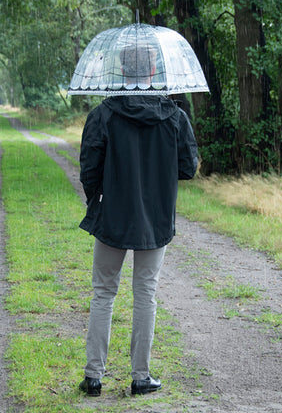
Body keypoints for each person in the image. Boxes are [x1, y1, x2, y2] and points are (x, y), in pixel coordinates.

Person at [78, 44, 198, 397]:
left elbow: (89, 169)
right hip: (156, 219)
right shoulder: (176, 117)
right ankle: (140, 376)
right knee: (145, 294)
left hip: (112, 215)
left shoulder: (102, 115)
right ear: (153, 73)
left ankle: (93, 377)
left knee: (103, 293)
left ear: (121, 72)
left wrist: (99, 199)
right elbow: (188, 168)